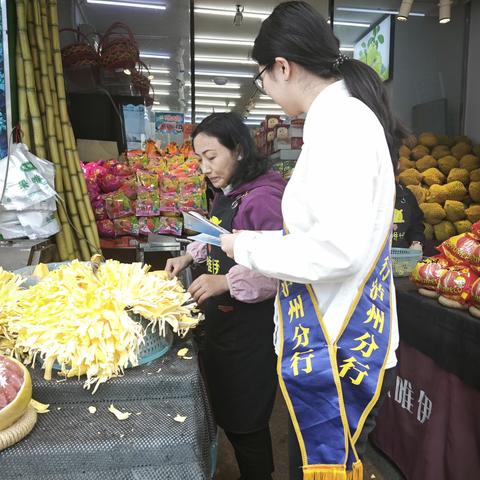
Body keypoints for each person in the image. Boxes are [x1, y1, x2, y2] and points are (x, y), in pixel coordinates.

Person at [220, 2, 406, 479]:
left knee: (331, 466)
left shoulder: (341, 126)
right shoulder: (339, 120)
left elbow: (334, 251)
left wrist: (245, 247)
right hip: (334, 328)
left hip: (340, 342)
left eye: (262, 76)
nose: (264, 88)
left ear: (283, 66)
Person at [165, 112, 286, 480]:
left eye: (211, 157)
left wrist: (225, 284)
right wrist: (188, 255)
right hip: (224, 327)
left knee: (246, 425)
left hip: (251, 335)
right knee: (227, 411)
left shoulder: (263, 201)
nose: (205, 167)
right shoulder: (229, 194)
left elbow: (281, 273)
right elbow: (219, 239)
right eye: (200, 159)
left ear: (239, 150)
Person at [393, 182, 425, 251]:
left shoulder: (406, 195)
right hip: (373, 256)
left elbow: (416, 224)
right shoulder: (367, 196)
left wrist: (417, 242)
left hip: (400, 254)